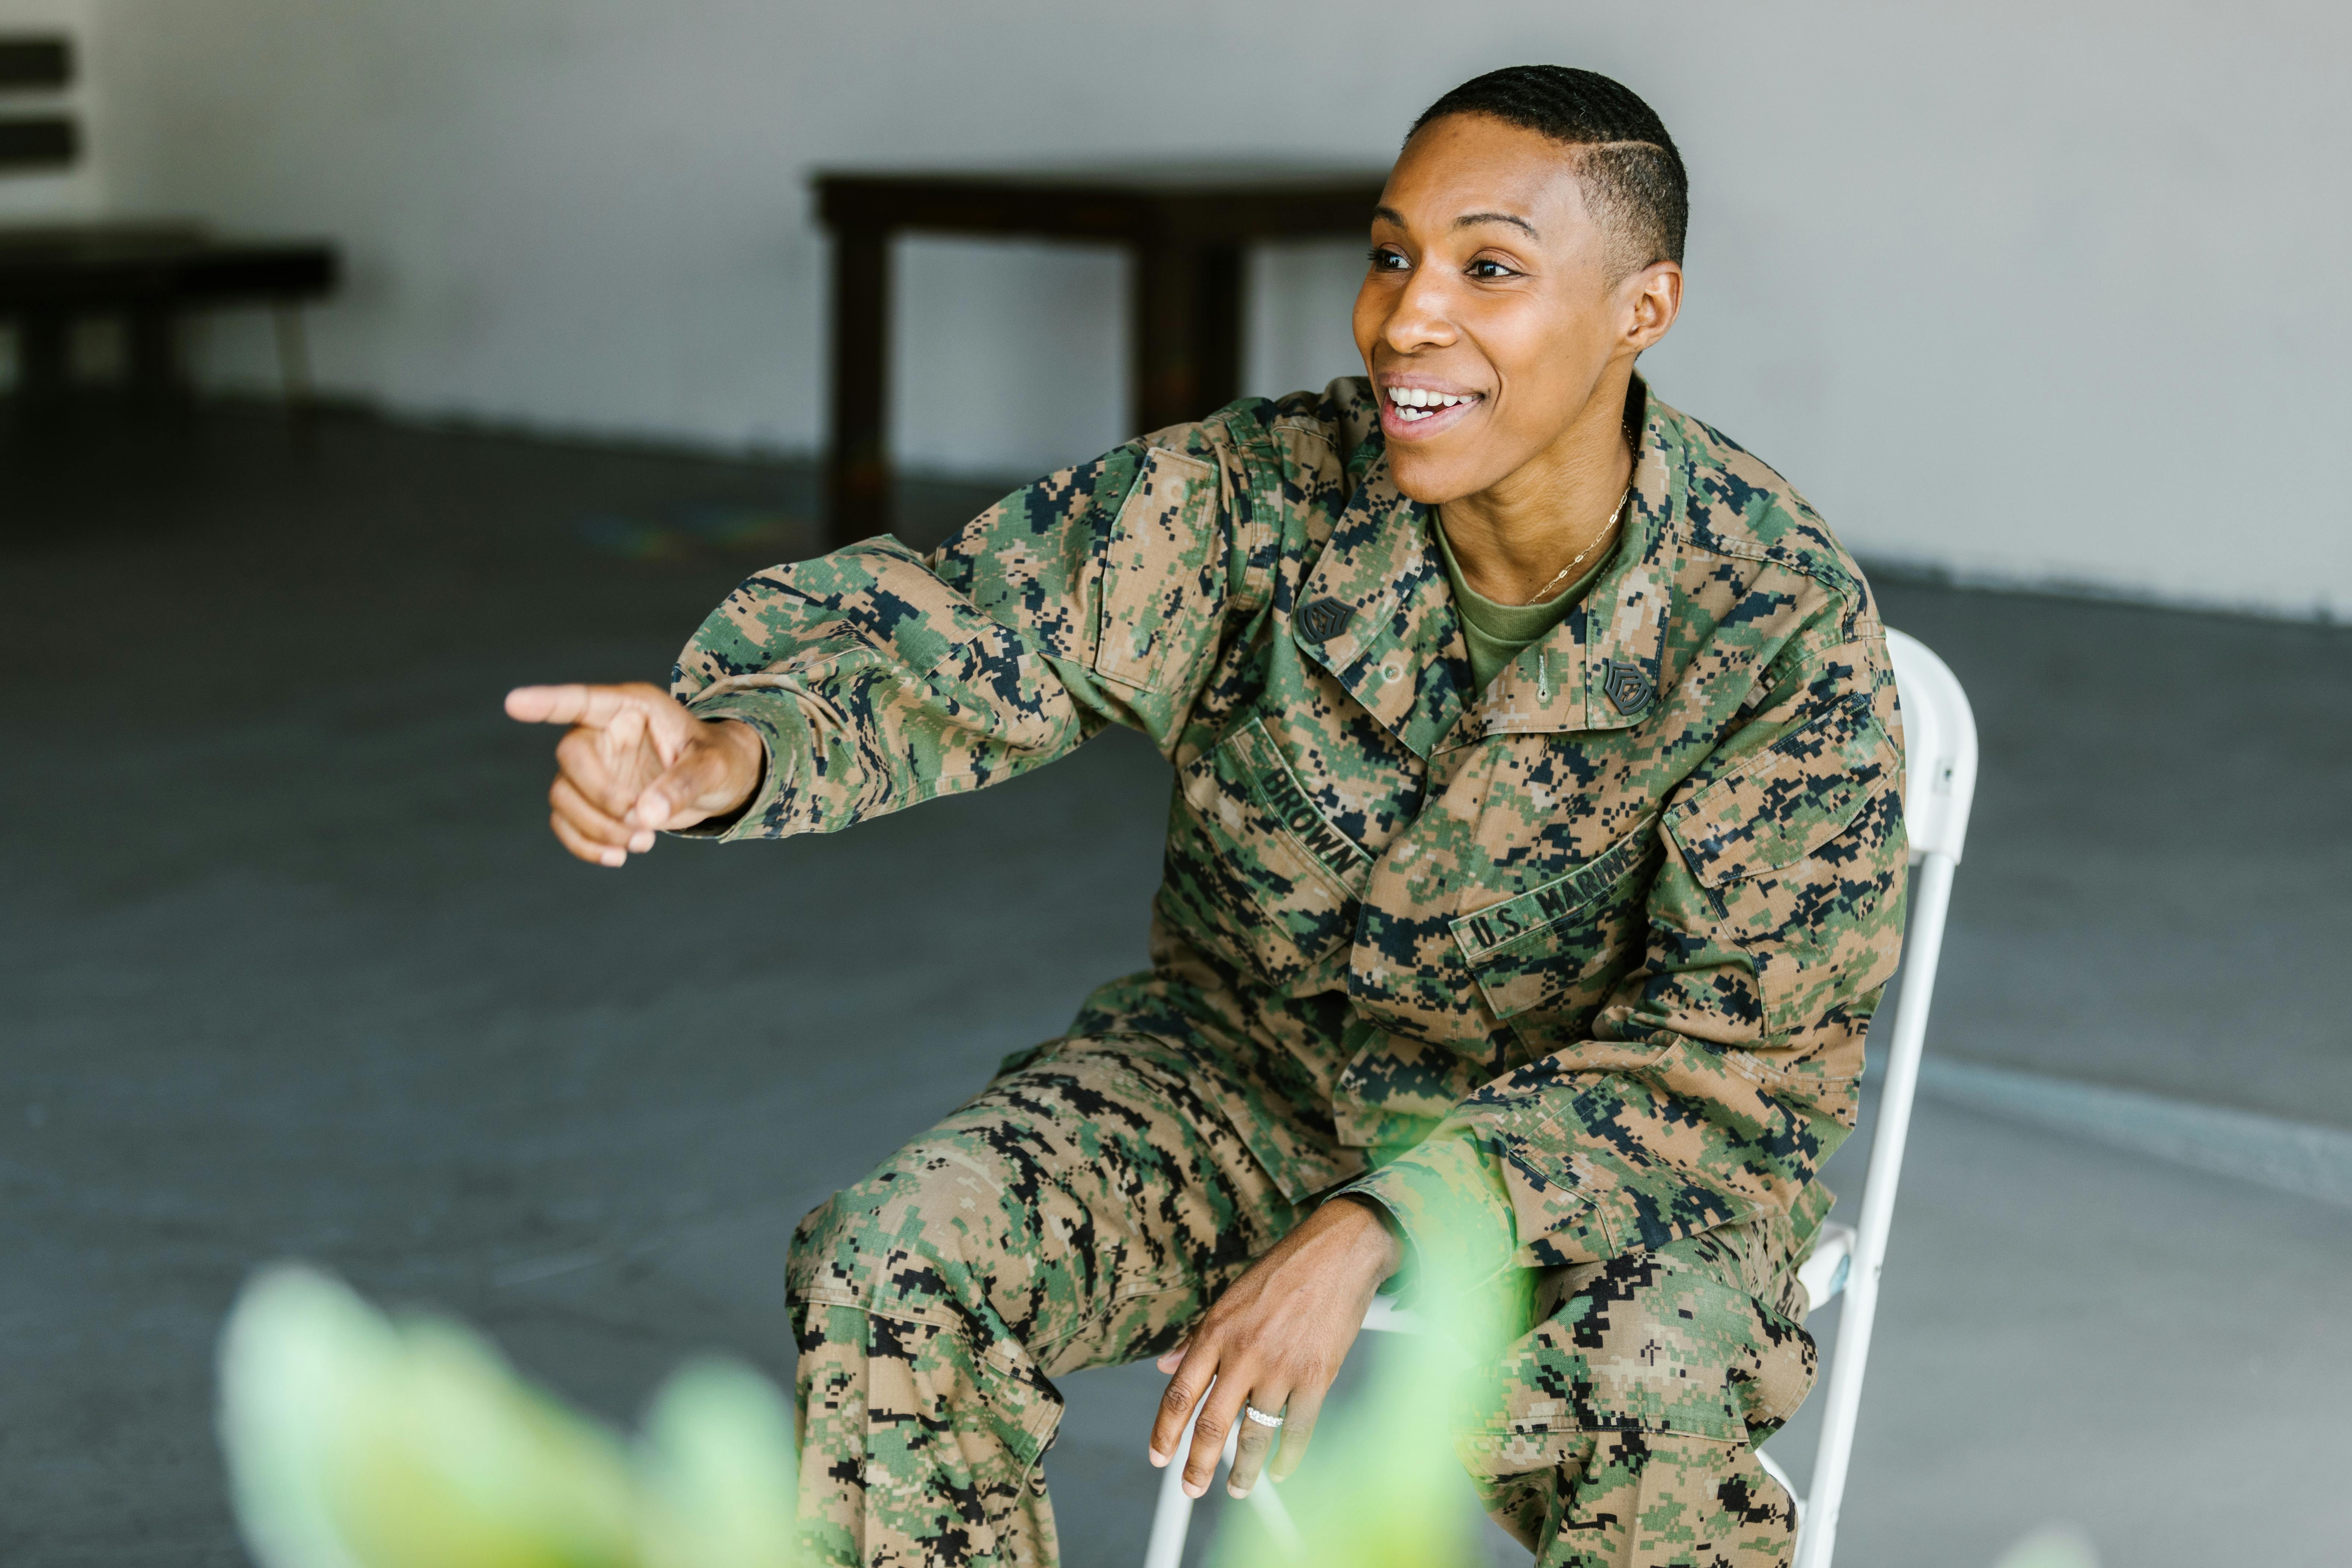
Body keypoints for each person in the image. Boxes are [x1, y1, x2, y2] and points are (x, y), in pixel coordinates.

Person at [508, 64, 1906, 1568]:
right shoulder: (1265, 496)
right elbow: (985, 632)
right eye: (1390, 256)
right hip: (1248, 1085)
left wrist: (1389, 1219)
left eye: (1489, 268)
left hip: (1600, 1164)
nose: (1407, 319)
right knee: (894, 1264)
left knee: (1650, 1381)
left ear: (1644, 309)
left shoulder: (1770, 618)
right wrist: (726, 753)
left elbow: (1731, 1064)